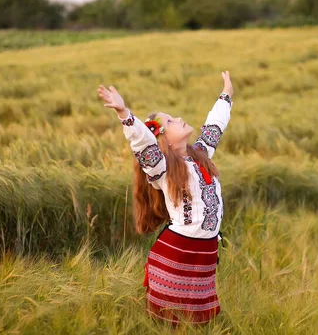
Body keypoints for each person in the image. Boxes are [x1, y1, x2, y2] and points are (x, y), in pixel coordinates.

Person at [97, 71, 233, 325]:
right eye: (170, 122)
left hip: (204, 252)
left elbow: (215, 126)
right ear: (163, 141)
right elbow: (142, 143)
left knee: (199, 322)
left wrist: (226, 94)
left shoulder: (201, 153)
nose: (179, 119)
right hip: (178, 252)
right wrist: (124, 113)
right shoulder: (162, 168)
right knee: (170, 322)